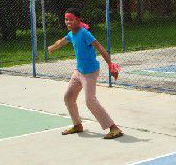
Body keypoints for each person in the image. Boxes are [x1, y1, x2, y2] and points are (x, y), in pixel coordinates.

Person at [48, 8, 123, 139]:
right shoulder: (71, 34)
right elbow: (62, 41)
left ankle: (114, 128)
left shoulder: (84, 33)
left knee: (90, 101)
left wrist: (111, 66)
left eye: (71, 19)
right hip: (78, 72)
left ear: (78, 20)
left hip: (90, 72)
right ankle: (77, 125)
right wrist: (53, 47)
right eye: (66, 19)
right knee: (68, 97)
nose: (68, 22)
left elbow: (100, 47)